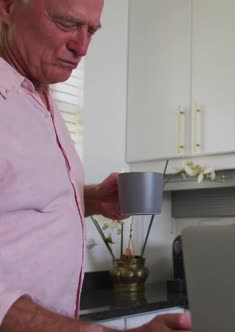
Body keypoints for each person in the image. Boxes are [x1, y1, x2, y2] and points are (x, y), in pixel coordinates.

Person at [0, 0, 191, 331]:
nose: (82, 46)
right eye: (66, 23)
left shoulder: (39, 97)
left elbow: (15, 199)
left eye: (92, 30)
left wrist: (88, 199)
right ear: (7, 7)